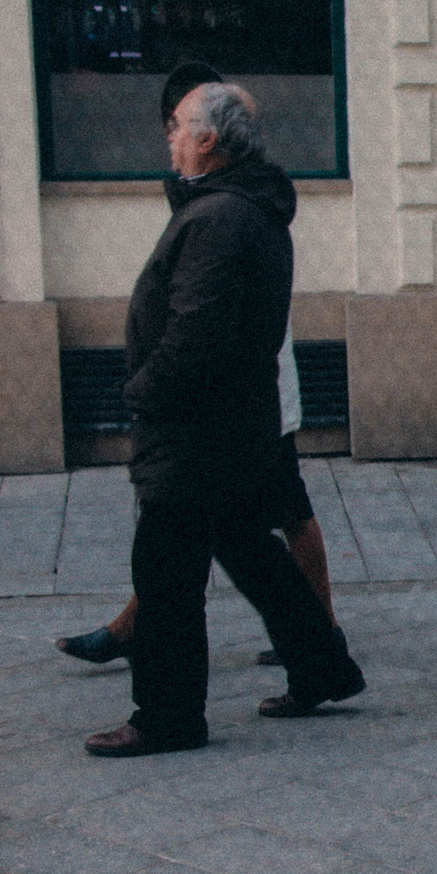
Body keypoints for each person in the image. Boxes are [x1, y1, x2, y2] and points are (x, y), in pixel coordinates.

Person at [82, 82, 365, 758]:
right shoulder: (246, 208)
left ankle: (168, 714)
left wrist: (142, 391)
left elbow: (195, 335)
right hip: (237, 420)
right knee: (248, 548)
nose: (170, 136)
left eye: (179, 126)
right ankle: (323, 666)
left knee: (166, 568)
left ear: (209, 141)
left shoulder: (218, 218)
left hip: (196, 428)